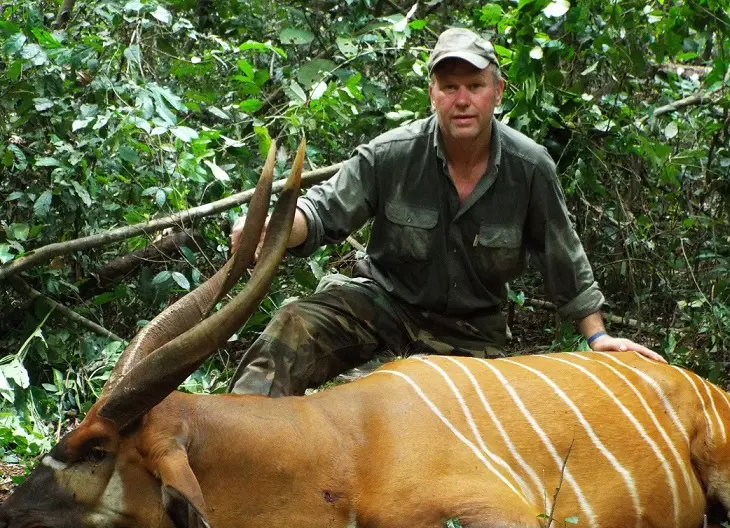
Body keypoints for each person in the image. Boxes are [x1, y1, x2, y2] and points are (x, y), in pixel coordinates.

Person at [229, 28, 665, 397]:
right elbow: (324, 209)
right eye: (450, 87)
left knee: (422, 416)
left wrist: (598, 336)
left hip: (471, 334)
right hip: (384, 302)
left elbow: (563, 258)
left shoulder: (529, 167)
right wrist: (276, 228)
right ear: (433, 93)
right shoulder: (391, 153)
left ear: (497, 92)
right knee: (292, 325)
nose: (462, 100)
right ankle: (239, 449)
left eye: (475, 87)